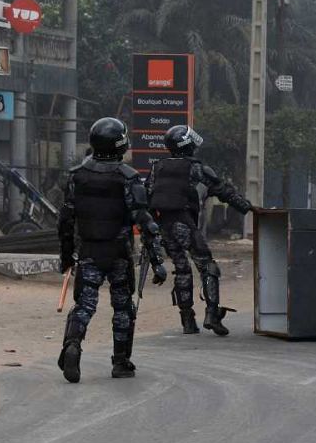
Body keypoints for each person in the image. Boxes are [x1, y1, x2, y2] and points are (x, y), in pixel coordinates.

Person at [57, 117, 167, 383]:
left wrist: (66, 255)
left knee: (83, 306)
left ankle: (72, 344)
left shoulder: (76, 176)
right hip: (118, 253)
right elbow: (145, 220)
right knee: (123, 308)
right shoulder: (128, 178)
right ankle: (120, 362)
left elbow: (66, 220)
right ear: (120, 144)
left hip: (89, 253)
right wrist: (157, 260)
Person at [146, 125, 252, 336]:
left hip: (162, 226)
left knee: (182, 269)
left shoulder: (157, 167)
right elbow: (224, 191)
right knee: (208, 266)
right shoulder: (196, 167)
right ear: (188, 144)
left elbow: (147, 196)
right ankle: (212, 314)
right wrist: (247, 207)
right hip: (183, 223)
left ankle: (188, 320)